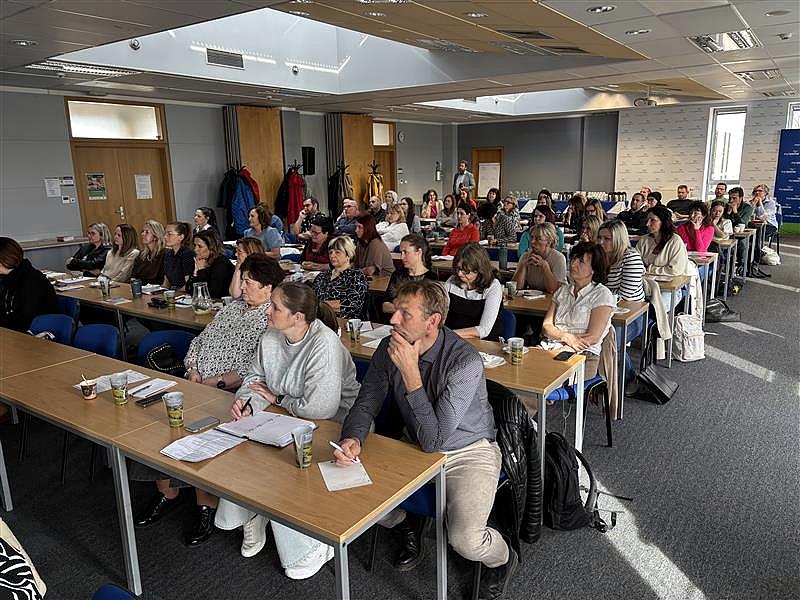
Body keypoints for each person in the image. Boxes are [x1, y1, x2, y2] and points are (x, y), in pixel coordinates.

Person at [332, 279, 518, 599]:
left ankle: (503, 559)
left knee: (465, 539)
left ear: (432, 322)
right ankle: (405, 522)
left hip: (469, 450)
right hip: (413, 442)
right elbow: (367, 402)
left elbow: (435, 441)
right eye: (396, 310)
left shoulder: (465, 362)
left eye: (405, 313)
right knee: (353, 491)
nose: (393, 319)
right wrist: (353, 437)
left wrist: (410, 373)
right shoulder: (389, 346)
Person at [131, 254, 285, 546]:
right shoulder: (231, 308)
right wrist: (192, 369)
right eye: (244, 280)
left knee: (200, 432)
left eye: (249, 282)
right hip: (196, 380)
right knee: (158, 423)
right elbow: (201, 340)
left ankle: (206, 506)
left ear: (268, 287)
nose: (242, 287)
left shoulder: (271, 318)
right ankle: (167, 491)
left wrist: (215, 382)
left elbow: (255, 367)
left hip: (226, 390)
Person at [217, 283, 359, 578]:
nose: (267, 311)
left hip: (334, 424)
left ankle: (311, 545)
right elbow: (254, 378)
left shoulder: (324, 343)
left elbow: (321, 408)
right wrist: (247, 403)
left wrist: (276, 399)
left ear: (297, 317)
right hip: (286, 413)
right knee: (242, 445)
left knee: (284, 465)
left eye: (275, 308)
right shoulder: (271, 334)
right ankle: (254, 511)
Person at [541, 242, 615, 379]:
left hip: (583, 355)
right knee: (521, 372)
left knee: (540, 378)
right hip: (552, 346)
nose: (573, 265)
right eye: (573, 259)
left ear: (593, 269)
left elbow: (592, 337)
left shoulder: (602, 294)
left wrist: (567, 344)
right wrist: (565, 336)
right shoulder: (563, 290)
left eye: (581, 262)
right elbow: (546, 326)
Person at [598, 221, 645, 385]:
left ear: (618, 239)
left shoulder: (631, 258)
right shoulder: (600, 256)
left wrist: (596, 296)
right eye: (600, 238)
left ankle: (627, 380)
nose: (601, 242)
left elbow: (625, 295)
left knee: (610, 341)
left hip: (630, 316)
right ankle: (596, 380)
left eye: (607, 238)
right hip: (603, 312)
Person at [443, 242, 503, 340]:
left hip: (485, 342)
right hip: (453, 340)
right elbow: (441, 312)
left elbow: (484, 330)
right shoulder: (452, 281)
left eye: (465, 271)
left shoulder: (493, 286)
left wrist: (447, 335)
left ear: (479, 269)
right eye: (458, 268)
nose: (459, 274)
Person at [0, 237, 58, 332]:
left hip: (35, 333)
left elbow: (25, 318)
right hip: (11, 330)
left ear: (4, 259)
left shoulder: (33, 280)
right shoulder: (5, 277)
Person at [311, 235, 368, 319]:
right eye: (330, 252)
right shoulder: (322, 275)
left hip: (342, 322)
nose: (332, 255)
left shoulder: (356, 276)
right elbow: (311, 298)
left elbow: (352, 304)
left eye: (337, 252)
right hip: (317, 320)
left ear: (348, 255)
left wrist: (319, 305)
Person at [381, 234, 437, 315]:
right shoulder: (397, 274)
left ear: (419, 252)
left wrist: (397, 304)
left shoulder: (431, 278)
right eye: (401, 253)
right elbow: (385, 306)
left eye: (405, 252)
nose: (402, 257)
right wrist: (407, 308)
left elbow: (426, 310)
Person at [512, 223, 566, 295]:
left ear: (549, 241)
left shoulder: (558, 258)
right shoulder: (525, 256)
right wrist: (524, 266)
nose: (532, 242)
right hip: (532, 302)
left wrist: (545, 266)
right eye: (532, 237)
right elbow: (516, 287)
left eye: (538, 239)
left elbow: (553, 290)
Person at [637, 205, 689, 276]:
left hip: (669, 283)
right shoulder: (644, 240)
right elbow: (636, 262)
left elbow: (675, 270)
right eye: (647, 220)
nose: (647, 224)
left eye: (653, 220)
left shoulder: (675, 241)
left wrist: (649, 269)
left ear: (663, 222)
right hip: (647, 281)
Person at [186, 229, 235, 298]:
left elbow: (212, 293)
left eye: (200, 246)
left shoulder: (221, 263)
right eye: (195, 245)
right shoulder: (200, 260)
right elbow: (189, 290)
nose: (195, 249)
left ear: (211, 247)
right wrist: (195, 273)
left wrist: (201, 271)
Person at [724, 187, 753, 266]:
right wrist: (728, 213)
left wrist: (735, 212)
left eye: (734, 198)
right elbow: (722, 221)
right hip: (727, 232)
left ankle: (742, 264)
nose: (731, 200)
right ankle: (724, 263)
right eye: (730, 198)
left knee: (741, 243)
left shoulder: (747, 208)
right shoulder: (726, 206)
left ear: (741, 198)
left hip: (741, 234)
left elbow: (744, 222)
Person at [131, 220, 165, 285]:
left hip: (157, 290)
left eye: (147, 232)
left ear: (155, 236)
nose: (142, 234)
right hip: (140, 289)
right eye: (142, 231)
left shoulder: (164, 254)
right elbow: (133, 275)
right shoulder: (141, 255)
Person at [163, 221, 194, 290]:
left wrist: (174, 295)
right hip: (172, 291)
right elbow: (166, 283)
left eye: (169, 234)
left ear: (181, 237)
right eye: (165, 233)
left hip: (183, 293)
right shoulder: (168, 254)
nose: (165, 237)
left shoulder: (187, 254)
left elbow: (188, 285)